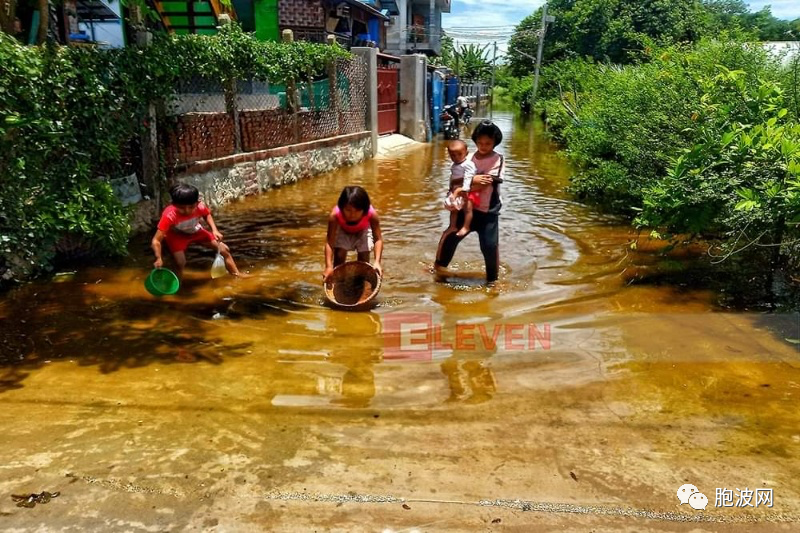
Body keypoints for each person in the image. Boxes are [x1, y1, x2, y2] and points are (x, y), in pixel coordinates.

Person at [435, 120, 505, 284]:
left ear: (495, 142)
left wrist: (468, 182)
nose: (483, 146)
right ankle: (438, 269)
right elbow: (454, 182)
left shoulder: (497, 159)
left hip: (487, 211)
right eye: (480, 142)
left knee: (489, 246)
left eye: (488, 143)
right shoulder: (468, 158)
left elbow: (488, 180)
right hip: (466, 207)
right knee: (450, 237)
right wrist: (473, 179)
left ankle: (493, 281)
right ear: (474, 141)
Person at [151, 183, 243, 279]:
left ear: (197, 202)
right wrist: (158, 258)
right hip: (176, 236)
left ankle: (237, 274)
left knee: (224, 249)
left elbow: (207, 215)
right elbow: (156, 240)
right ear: (174, 205)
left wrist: (214, 230)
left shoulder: (200, 207)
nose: (187, 211)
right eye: (181, 208)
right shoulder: (169, 215)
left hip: (196, 232)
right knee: (180, 262)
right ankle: (178, 281)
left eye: (191, 207)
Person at [324, 186, 384, 282]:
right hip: (343, 229)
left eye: (357, 211)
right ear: (342, 207)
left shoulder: (371, 215)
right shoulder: (335, 216)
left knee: (364, 257)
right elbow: (329, 242)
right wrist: (328, 266)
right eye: (348, 210)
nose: (352, 214)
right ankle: (339, 282)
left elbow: (378, 239)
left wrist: (377, 262)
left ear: (364, 210)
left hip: (363, 229)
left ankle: (360, 282)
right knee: (339, 254)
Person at [443, 140, 478, 238]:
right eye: (453, 155)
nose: (456, 157)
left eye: (459, 154)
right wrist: (450, 189)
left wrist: (465, 189)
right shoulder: (454, 165)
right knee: (453, 209)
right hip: (455, 190)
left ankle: (466, 226)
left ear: (466, 153)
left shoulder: (468, 164)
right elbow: (452, 177)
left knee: (468, 209)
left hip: (465, 190)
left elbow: (469, 176)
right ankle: (452, 226)